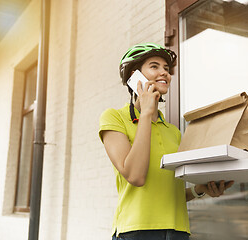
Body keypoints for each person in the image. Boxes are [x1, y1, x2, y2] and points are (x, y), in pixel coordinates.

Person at [99, 43, 234, 240]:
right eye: (154, 66)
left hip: (178, 231)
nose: (164, 73)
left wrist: (199, 190)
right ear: (133, 77)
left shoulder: (174, 132)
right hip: (135, 231)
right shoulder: (114, 118)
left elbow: (171, 192)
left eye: (167, 69)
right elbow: (136, 177)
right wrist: (145, 112)